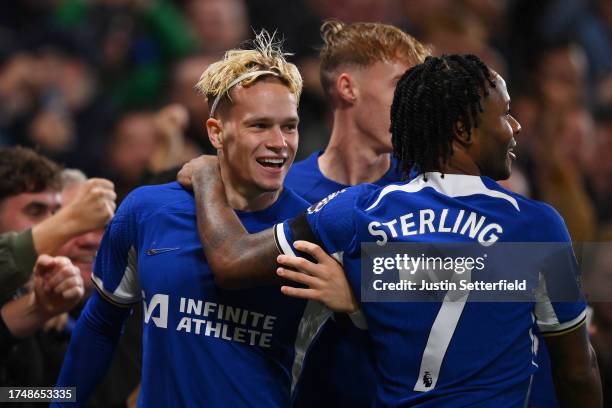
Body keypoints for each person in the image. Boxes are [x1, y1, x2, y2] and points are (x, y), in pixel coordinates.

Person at [183, 54, 602, 406]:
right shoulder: (537, 226)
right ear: (462, 129)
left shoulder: (358, 211)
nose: (515, 127)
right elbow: (577, 372)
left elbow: (231, 260)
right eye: (505, 114)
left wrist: (206, 176)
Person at [54, 32, 355, 407]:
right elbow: (99, 327)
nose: (280, 142)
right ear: (216, 132)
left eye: (289, 126)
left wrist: (357, 306)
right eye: (259, 126)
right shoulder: (147, 210)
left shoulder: (314, 229)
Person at [179, 19, 431, 407]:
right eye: (402, 86)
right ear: (348, 88)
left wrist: (359, 296)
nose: (416, 105)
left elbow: (483, 285)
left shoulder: (429, 191)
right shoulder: (279, 188)